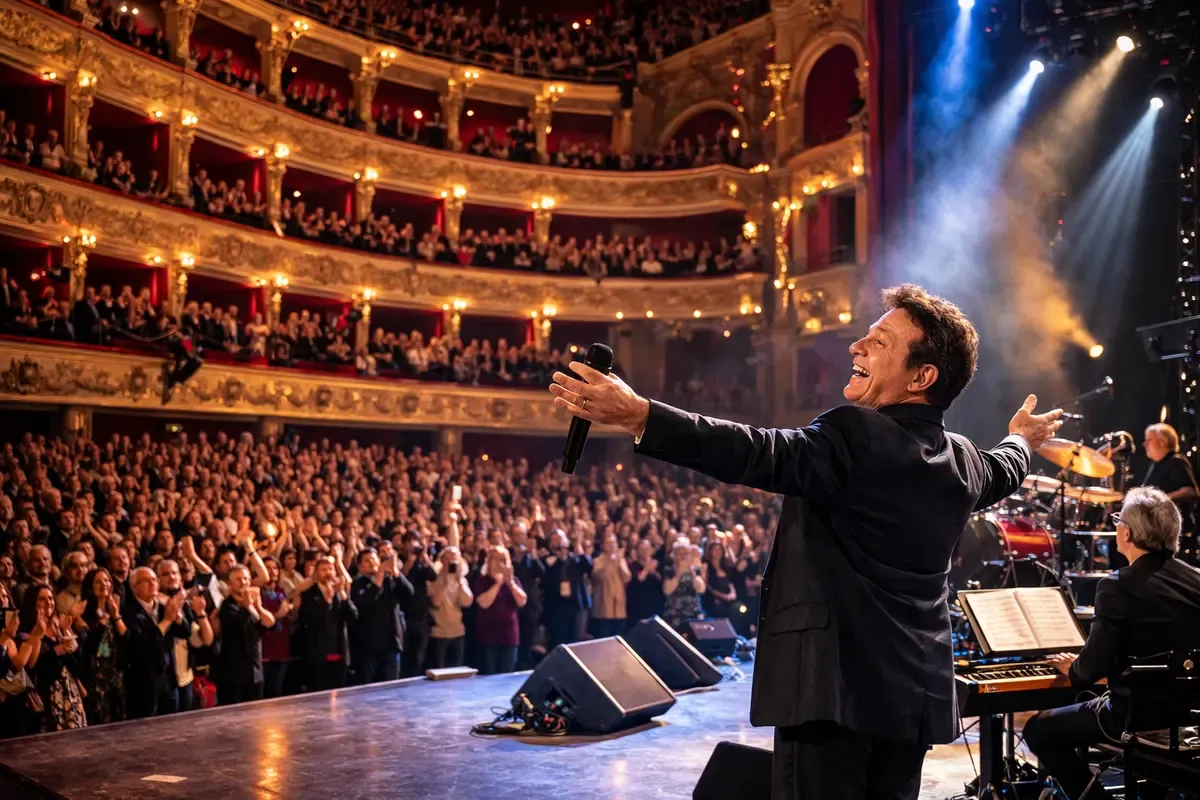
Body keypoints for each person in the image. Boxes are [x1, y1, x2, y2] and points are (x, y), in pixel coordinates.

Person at [549, 283, 1063, 800]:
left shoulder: (857, 435)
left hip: (833, 692)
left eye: (879, 342)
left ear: (922, 376)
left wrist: (641, 415)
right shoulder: (966, 460)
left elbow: (757, 451)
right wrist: (1021, 437)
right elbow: (1006, 468)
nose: (855, 347)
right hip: (915, 696)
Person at [1022, 486, 1200, 800]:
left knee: (1038, 730)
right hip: (1190, 720)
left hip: (1137, 717)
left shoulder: (1116, 586)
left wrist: (1073, 667)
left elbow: (1090, 670)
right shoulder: (1196, 581)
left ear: (1128, 534)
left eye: (1118, 521)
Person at [122, 566, 189, 719]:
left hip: (168, 678)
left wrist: (177, 615)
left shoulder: (164, 606)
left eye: (154, 580)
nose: (152, 584)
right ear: (135, 588)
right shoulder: (130, 614)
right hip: (144, 682)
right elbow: (143, 644)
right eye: (146, 581)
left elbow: (185, 632)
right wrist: (167, 621)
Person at [350, 547, 414, 684]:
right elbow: (366, 603)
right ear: (360, 566)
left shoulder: (390, 580)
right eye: (367, 561)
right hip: (368, 648)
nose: (372, 562)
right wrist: (379, 576)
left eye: (374, 559)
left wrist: (396, 573)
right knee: (369, 689)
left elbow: (409, 593)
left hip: (392, 643)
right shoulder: (356, 585)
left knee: (391, 688)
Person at [215, 564, 276, 705]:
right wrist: (249, 606)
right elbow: (239, 623)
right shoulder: (227, 606)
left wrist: (258, 606)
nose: (243, 582)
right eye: (238, 579)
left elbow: (270, 624)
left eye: (246, 578)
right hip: (233, 675)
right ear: (230, 584)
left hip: (255, 671)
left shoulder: (253, 604)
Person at [1141, 423, 1199, 564]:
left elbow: (1190, 491)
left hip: (1174, 533)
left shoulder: (1175, 462)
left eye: (1149, 440)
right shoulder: (1154, 465)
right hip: (1158, 531)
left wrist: (1160, 499)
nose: (1144, 444)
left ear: (1163, 442)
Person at [471, 546, 527, 675]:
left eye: (504, 560)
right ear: (489, 562)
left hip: (509, 636)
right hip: (488, 637)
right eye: (497, 560)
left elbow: (522, 601)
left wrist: (510, 583)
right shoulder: (482, 580)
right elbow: (483, 603)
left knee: (506, 676)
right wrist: (498, 584)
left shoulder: (514, 581)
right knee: (489, 675)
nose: (501, 564)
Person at [427, 547, 473, 669]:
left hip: (457, 632)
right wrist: (443, 581)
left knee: (456, 674)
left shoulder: (461, 580)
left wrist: (459, 582)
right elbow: (436, 602)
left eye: (454, 557)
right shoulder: (433, 578)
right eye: (447, 558)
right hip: (439, 634)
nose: (451, 561)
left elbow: (467, 602)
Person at [589, 532, 630, 638]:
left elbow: (627, 578)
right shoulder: (597, 561)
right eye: (608, 543)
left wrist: (619, 562)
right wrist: (610, 562)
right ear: (602, 546)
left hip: (619, 609)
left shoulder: (621, 560)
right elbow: (599, 576)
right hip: (603, 609)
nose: (612, 545)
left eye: (614, 543)